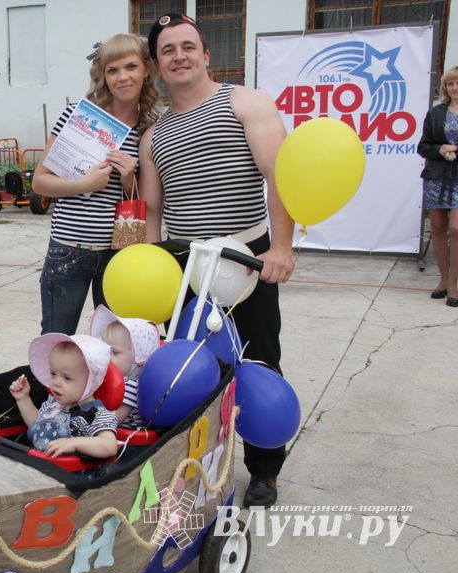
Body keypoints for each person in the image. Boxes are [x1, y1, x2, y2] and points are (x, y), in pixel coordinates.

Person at [139, 14, 295, 508]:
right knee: (185, 370)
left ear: (207, 55)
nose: (180, 55)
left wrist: (282, 248)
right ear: (158, 66)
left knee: (259, 365)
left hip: (247, 262)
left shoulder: (245, 103)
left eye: (189, 46)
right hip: (186, 270)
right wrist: (148, 276)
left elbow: (282, 177)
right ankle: (189, 467)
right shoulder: (153, 137)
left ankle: (265, 470)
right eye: (168, 50)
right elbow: (153, 215)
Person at [32, 33, 159, 335]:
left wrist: (128, 178)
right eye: (112, 70)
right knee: (57, 339)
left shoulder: (149, 129)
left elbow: (142, 200)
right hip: (69, 248)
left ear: (146, 71)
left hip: (118, 252)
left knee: (114, 344)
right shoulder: (80, 117)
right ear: (102, 76)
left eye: (130, 67)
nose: (122, 77)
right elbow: (39, 182)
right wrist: (85, 183)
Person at [9, 334, 118, 459]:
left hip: (68, 475)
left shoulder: (97, 414)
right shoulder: (53, 403)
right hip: (38, 466)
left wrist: (75, 443)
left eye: (67, 378)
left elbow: (109, 446)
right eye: (53, 374)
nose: (55, 382)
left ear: (91, 381)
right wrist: (23, 399)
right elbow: (36, 425)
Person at [417, 65, 458, 308]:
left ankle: (454, 283)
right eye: (451, 84)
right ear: (445, 87)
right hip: (436, 177)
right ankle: (443, 280)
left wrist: (456, 149)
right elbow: (423, 146)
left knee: (457, 228)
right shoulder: (435, 113)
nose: (455, 88)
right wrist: (440, 149)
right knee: (437, 227)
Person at [88, 305, 159, 429]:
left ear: (138, 359)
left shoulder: (131, 386)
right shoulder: (106, 376)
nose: (106, 355)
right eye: (104, 349)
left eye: (114, 352)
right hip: (100, 431)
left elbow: (112, 421)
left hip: (124, 439)